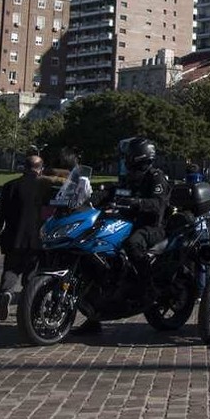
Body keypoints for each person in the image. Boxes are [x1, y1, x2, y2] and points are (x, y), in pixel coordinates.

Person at [76, 138, 169, 335]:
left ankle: (147, 285)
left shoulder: (156, 177)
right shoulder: (129, 177)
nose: (125, 159)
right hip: (125, 223)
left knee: (133, 244)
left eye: (128, 155)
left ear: (140, 155)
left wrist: (138, 202)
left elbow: (158, 203)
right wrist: (89, 200)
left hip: (150, 227)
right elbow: (113, 191)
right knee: (95, 248)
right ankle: (94, 315)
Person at [0, 155, 48, 321]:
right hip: (36, 238)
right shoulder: (45, 187)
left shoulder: (11, 186)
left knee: (10, 270)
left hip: (13, 237)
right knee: (32, 275)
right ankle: (27, 305)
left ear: (24, 167)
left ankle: (6, 293)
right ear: (40, 168)